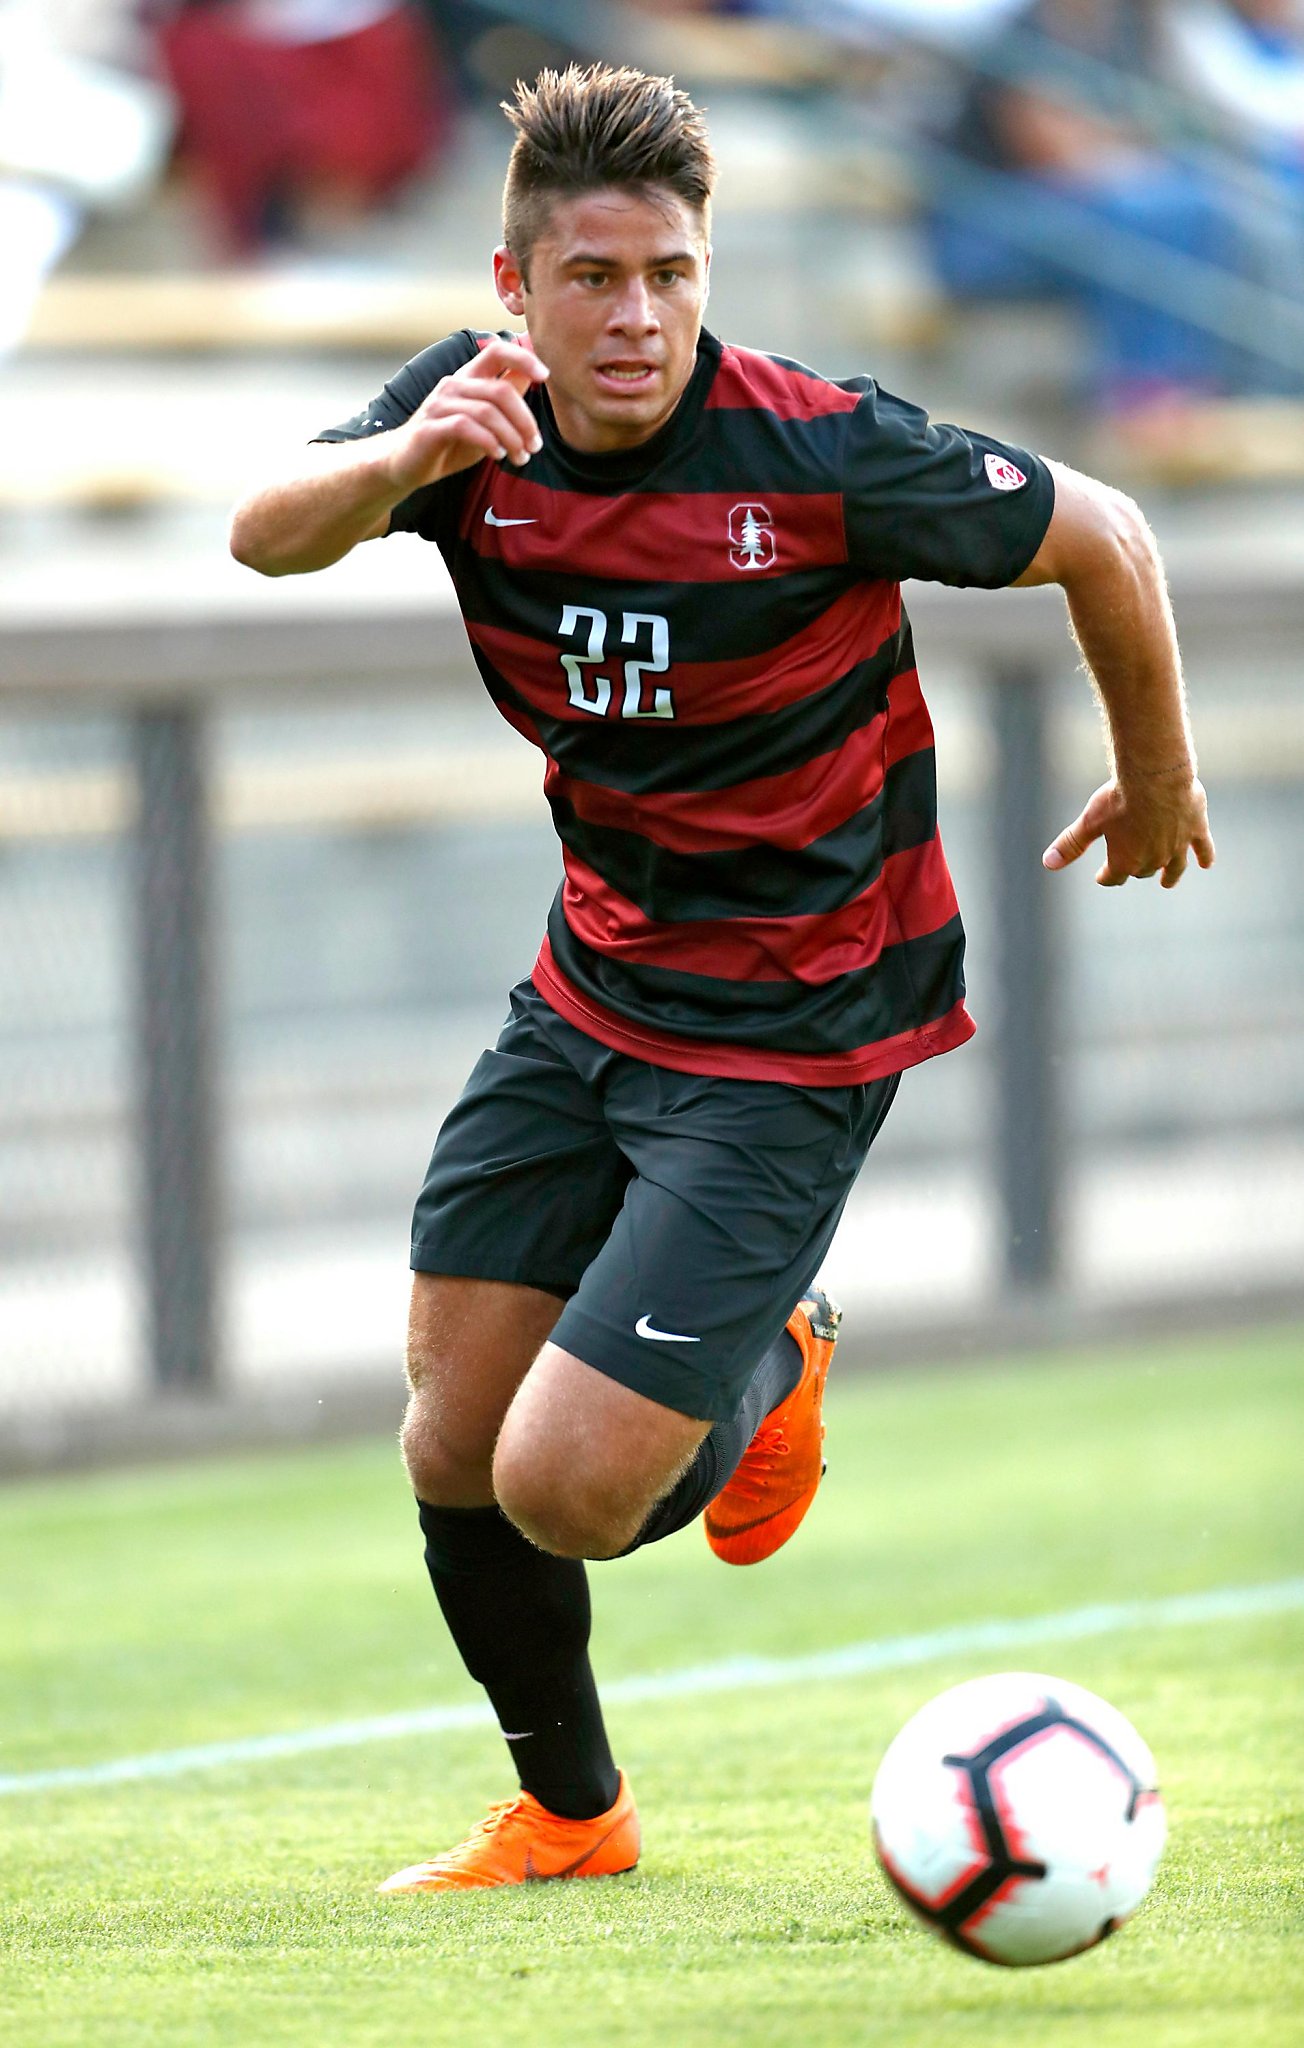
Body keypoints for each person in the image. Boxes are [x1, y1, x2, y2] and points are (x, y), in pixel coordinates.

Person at [229, 62, 1214, 1894]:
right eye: (596, 276)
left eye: (673, 273)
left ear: (707, 273)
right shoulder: (471, 420)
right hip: (595, 985)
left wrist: (1157, 773)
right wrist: (404, 462)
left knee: (568, 1489)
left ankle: (774, 1358)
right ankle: (573, 1820)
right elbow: (263, 530)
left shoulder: (817, 448)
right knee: (452, 1438)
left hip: (803, 1017)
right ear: (515, 285)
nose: (639, 317)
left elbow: (1106, 532)